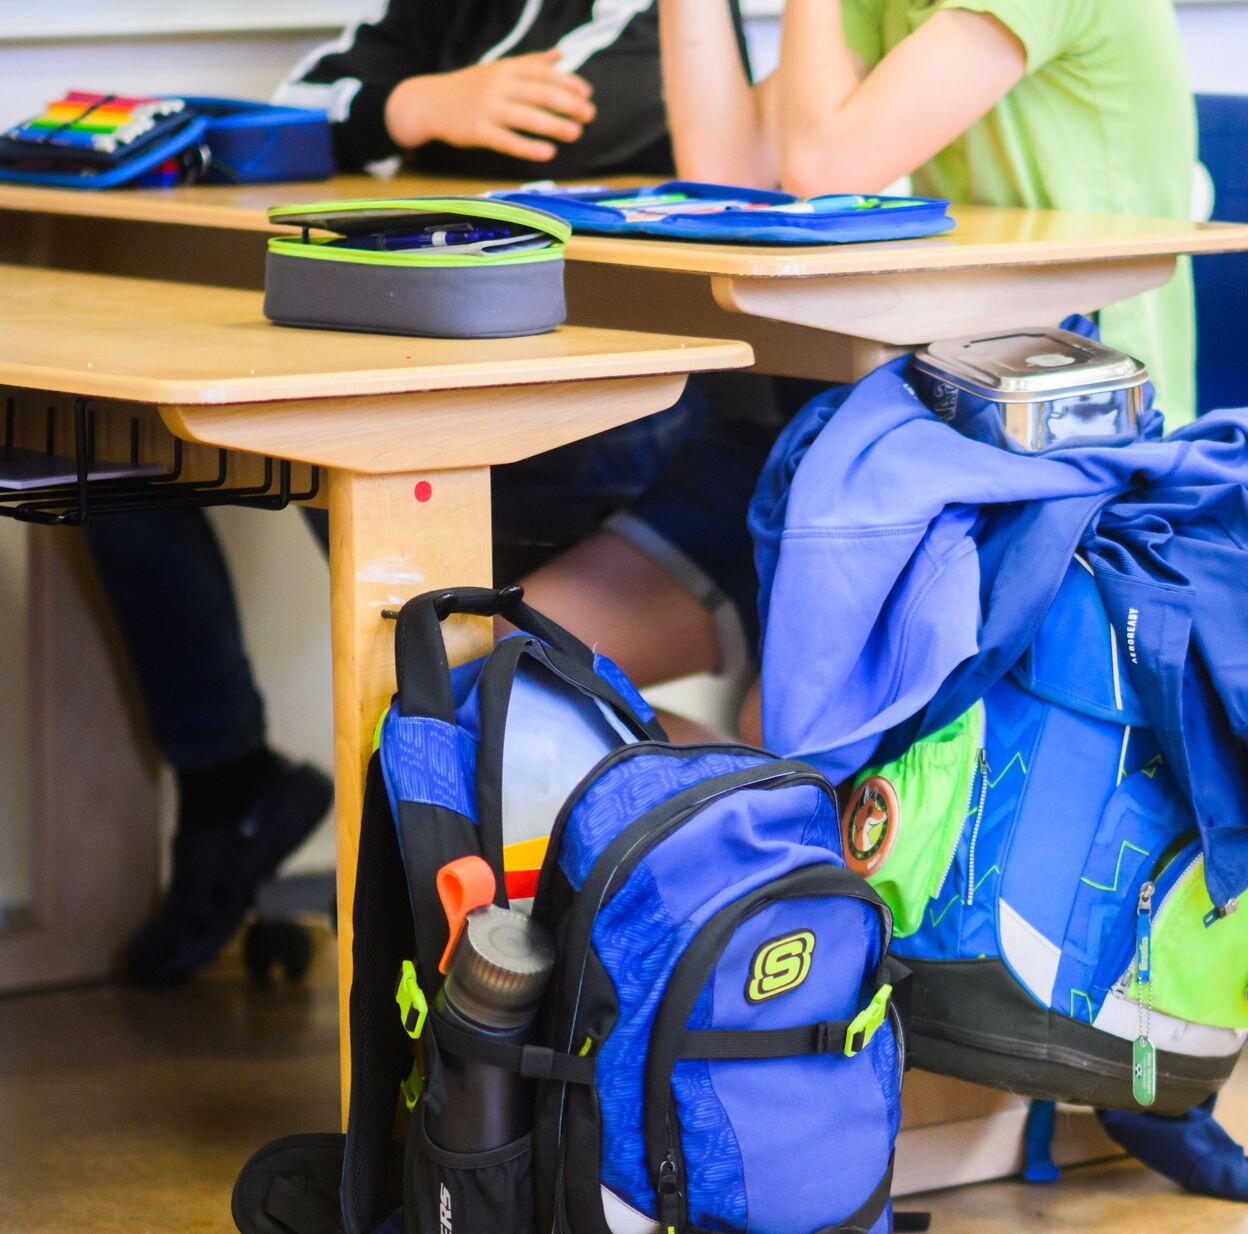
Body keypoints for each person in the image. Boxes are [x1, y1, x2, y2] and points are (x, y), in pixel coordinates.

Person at [86, 0, 698, 985]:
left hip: (609, 402)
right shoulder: (436, 13)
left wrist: (403, 112)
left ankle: (426, 900)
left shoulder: (647, 19)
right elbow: (291, 112)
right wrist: (420, 103)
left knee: (342, 464)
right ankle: (227, 782)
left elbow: (537, 129)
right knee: (117, 444)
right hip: (433, 355)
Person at [514, 0, 1200, 740]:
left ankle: (755, 804)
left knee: (790, 726)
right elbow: (734, 175)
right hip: (882, 436)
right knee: (501, 667)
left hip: (1062, 462)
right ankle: (733, 803)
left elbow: (823, 169)